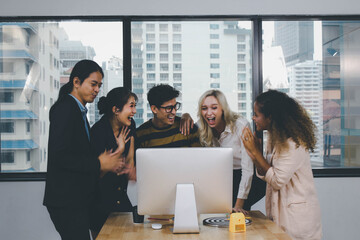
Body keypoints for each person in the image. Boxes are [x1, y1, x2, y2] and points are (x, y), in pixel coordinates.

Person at [43, 60, 127, 240]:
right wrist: (99, 163)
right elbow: (60, 156)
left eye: (99, 85)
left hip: (76, 200)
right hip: (66, 201)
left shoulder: (77, 109)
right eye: (93, 84)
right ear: (76, 82)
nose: (97, 90)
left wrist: (106, 165)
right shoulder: (66, 108)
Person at [241, 89, 322, 240]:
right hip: (280, 215)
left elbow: (277, 180)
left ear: (270, 117)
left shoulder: (294, 142)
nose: (253, 118)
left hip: (297, 221)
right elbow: (266, 172)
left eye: (257, 115)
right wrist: (254, 155)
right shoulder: (274, 136)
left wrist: (257, 154)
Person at [197, 89, 260, 214]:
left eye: (214, 108)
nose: (209, 113)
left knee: (238, 215)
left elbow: (248, 169)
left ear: (223, 109)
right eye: (204, 108)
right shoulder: (200, 126)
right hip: (222, 176)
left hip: (244, 175)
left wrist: (239, 204)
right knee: (218, 214)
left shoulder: (241, 125)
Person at [89, 87, 138, 237]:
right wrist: (120, 147)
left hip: (121, 199)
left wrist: (130, 169)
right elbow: (95, 174)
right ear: (116, 110)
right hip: (99, 203)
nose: (134, 111)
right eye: (131, 106)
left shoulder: (130, 126)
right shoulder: (98, 131)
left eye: (135, 106)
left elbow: (129, 163)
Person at [135, 84, 201, 148]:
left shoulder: (187, 127)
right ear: (154, 109)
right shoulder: (140, 135)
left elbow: (198, 157)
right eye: (168, 108)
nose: (174, 112)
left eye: (175, 106)